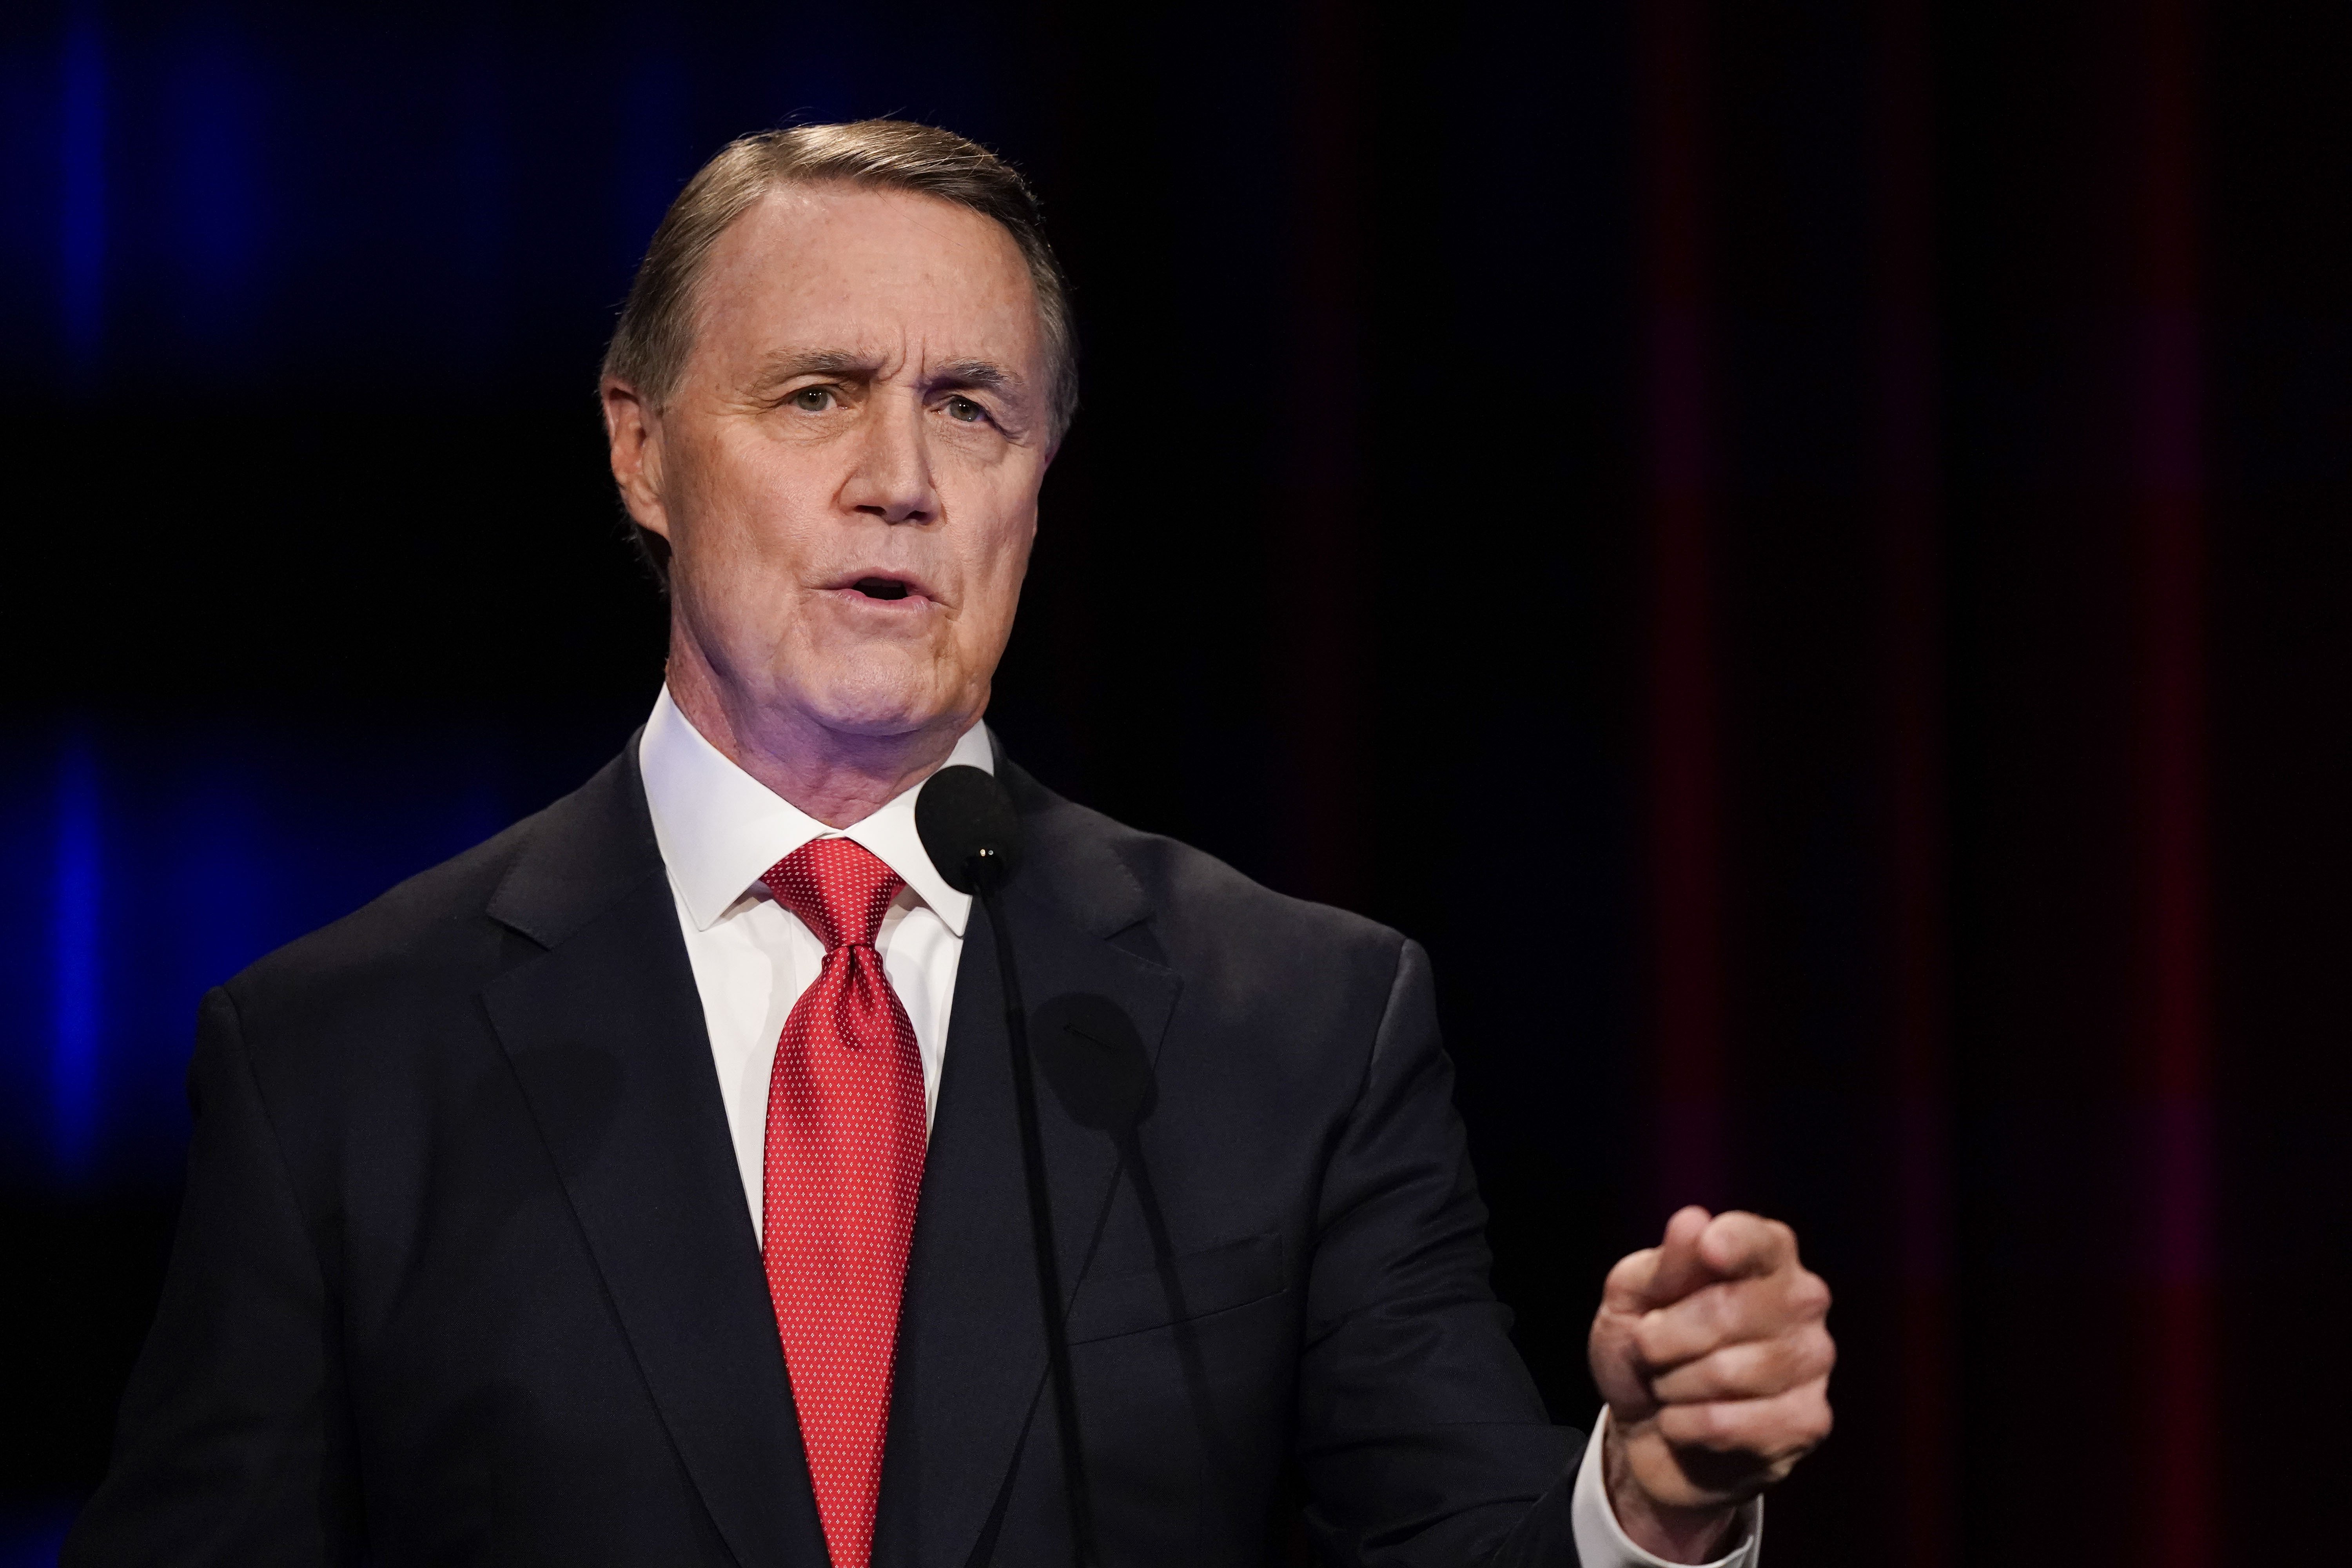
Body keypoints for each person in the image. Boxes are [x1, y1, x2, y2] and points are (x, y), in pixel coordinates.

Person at [64, 121, 1832, 1568]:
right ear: (641, 452)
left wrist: (1655, 1502)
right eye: (819, 394)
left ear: (1037, 482)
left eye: (972, 408)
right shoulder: (345, 1059)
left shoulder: (1294, 1022)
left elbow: (1461, 1540)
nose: (901, 476)